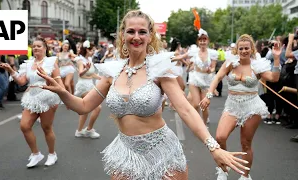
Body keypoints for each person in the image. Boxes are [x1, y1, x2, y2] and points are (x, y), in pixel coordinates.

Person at [37, 10, 248, 179]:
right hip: (126, 153)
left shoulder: (159, 70)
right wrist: (63, 93)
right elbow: (83, 105)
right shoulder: (113, 72)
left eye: (142, 32)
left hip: (162, 152)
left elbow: (185, 109)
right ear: (123, 35)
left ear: (150, 36)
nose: (136, 37)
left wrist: (213, 147)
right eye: (131, 31)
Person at [200, 34, 281, 180]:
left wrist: (276, 58)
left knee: (245, 144)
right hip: (232, 105)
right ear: (237, 49)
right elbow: (217, 77)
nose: (244, 51)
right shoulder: (231, 63)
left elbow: (274, 78)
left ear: (251, 49)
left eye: (246, 48)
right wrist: (208, 95)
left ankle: (245, 175)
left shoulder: (257, 65)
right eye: (241, 48)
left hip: (252, 107)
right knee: (220, 137)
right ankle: (223, 169)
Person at [0, 37, 64, 168]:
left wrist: (66, 97)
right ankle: (36, 154)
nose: (35, 48)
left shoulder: (51, 63)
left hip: (47, 96)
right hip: (32, 98)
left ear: (45, 48)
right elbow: (22, 81)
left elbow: (59, 82)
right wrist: (11, 71)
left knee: (46, 128)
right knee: (24, 125)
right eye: (34, 46)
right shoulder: (28, 64)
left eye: (38, 46)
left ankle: (52, 154)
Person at [172, 29, 218, 125]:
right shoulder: (193, 51)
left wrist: (210, 70)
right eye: (200, 40)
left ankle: (204, 123)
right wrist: (167, 59)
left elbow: (213, 67)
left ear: (208, 41)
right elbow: (181, 57)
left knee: (204, 106)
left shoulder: (213, 53)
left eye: (204, 40)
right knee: (196, 104)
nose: (202, 42)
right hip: (195, 78)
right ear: (198, 42)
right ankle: (198, 123)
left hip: (206, 80)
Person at [74, 40, 101, 138]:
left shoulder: (89, 59)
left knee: (85, 109)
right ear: (87, 49)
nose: (94, 52)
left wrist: (103, 78)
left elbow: (92, 73)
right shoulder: (80, 60)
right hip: (83, 86)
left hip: (90, 85)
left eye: (94, 50)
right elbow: (80, 73)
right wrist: (86, 69)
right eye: (92, 50)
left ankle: (79, 130)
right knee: (97, 107)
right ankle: (89, 129)